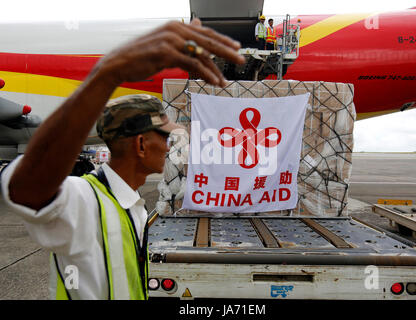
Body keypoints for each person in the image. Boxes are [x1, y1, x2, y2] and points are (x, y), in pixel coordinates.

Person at [1, 19, 244, 300]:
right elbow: (24, 189)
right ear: (141, 144)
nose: (169, 148)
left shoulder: (134, 208)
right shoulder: (85, 199)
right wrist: (105, 76)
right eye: (165, 138)